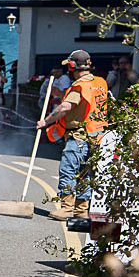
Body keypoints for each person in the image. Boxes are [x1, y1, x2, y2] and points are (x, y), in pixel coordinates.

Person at [37, 50, 108, 219]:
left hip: (79, 136)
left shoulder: (79, 86)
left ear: (72, 67)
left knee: (69, 171)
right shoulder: (100, 82)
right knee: (86, 172)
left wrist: (45, 122)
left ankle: (67, 208)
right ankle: (81, 209)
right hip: (97, 135)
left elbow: (65, 108)